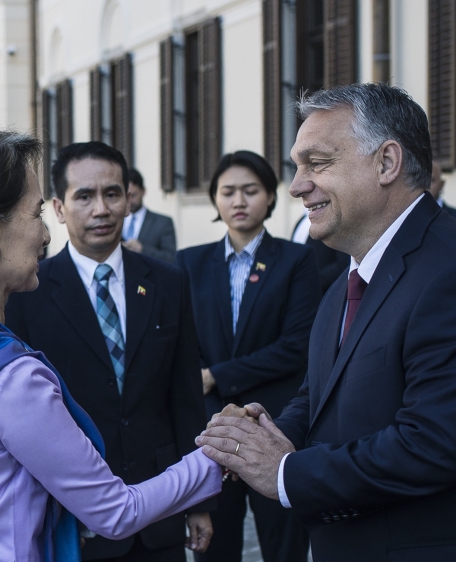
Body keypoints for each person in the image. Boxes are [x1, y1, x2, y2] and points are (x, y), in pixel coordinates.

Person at [197, 83, 456, 561]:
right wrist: (270, 434)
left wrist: (284, 471)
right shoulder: (350, 276)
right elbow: (322, 396)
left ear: (387, 163)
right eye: (297, 167)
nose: (297, 185)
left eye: (317, 163)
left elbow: (434, 446)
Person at [0, 130, 221, 561]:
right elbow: (115, 511)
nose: (45, 234)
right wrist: (220, 454)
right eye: (36, 213)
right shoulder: (11, 379)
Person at [5, 141, 214, 561]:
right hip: (75, 515)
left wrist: (198, 499)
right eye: (84, 196)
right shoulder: (28, 293)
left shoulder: (168, 282)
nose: (101, 209)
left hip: (161, 505)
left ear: (128, 200)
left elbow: (186, 396)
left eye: (112, 193)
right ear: (59, 208)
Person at [176, 150, 317, 562]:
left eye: (251, 191)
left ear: (270, 196)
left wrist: (216, 375)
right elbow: (181, 342)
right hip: (212, 428)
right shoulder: (189, 262)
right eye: (228, 192)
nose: (239, 201)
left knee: (283, 547)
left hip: (276, 425)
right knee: (214, 548)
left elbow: (295, 346)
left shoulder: (296, 260)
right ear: (215, 199)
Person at [122, 169, 177, 263]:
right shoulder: (115, 221)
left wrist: (142, 249)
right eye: (126, 196)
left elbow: (171, 258)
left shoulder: (163, 223)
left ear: (143, 191)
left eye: (133, 195)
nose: (129, 201)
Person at [290, 210, 348, 293]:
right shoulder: (301, 220)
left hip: (327, 292)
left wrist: (309, 281)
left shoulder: (334, 220)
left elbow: (343, 263)